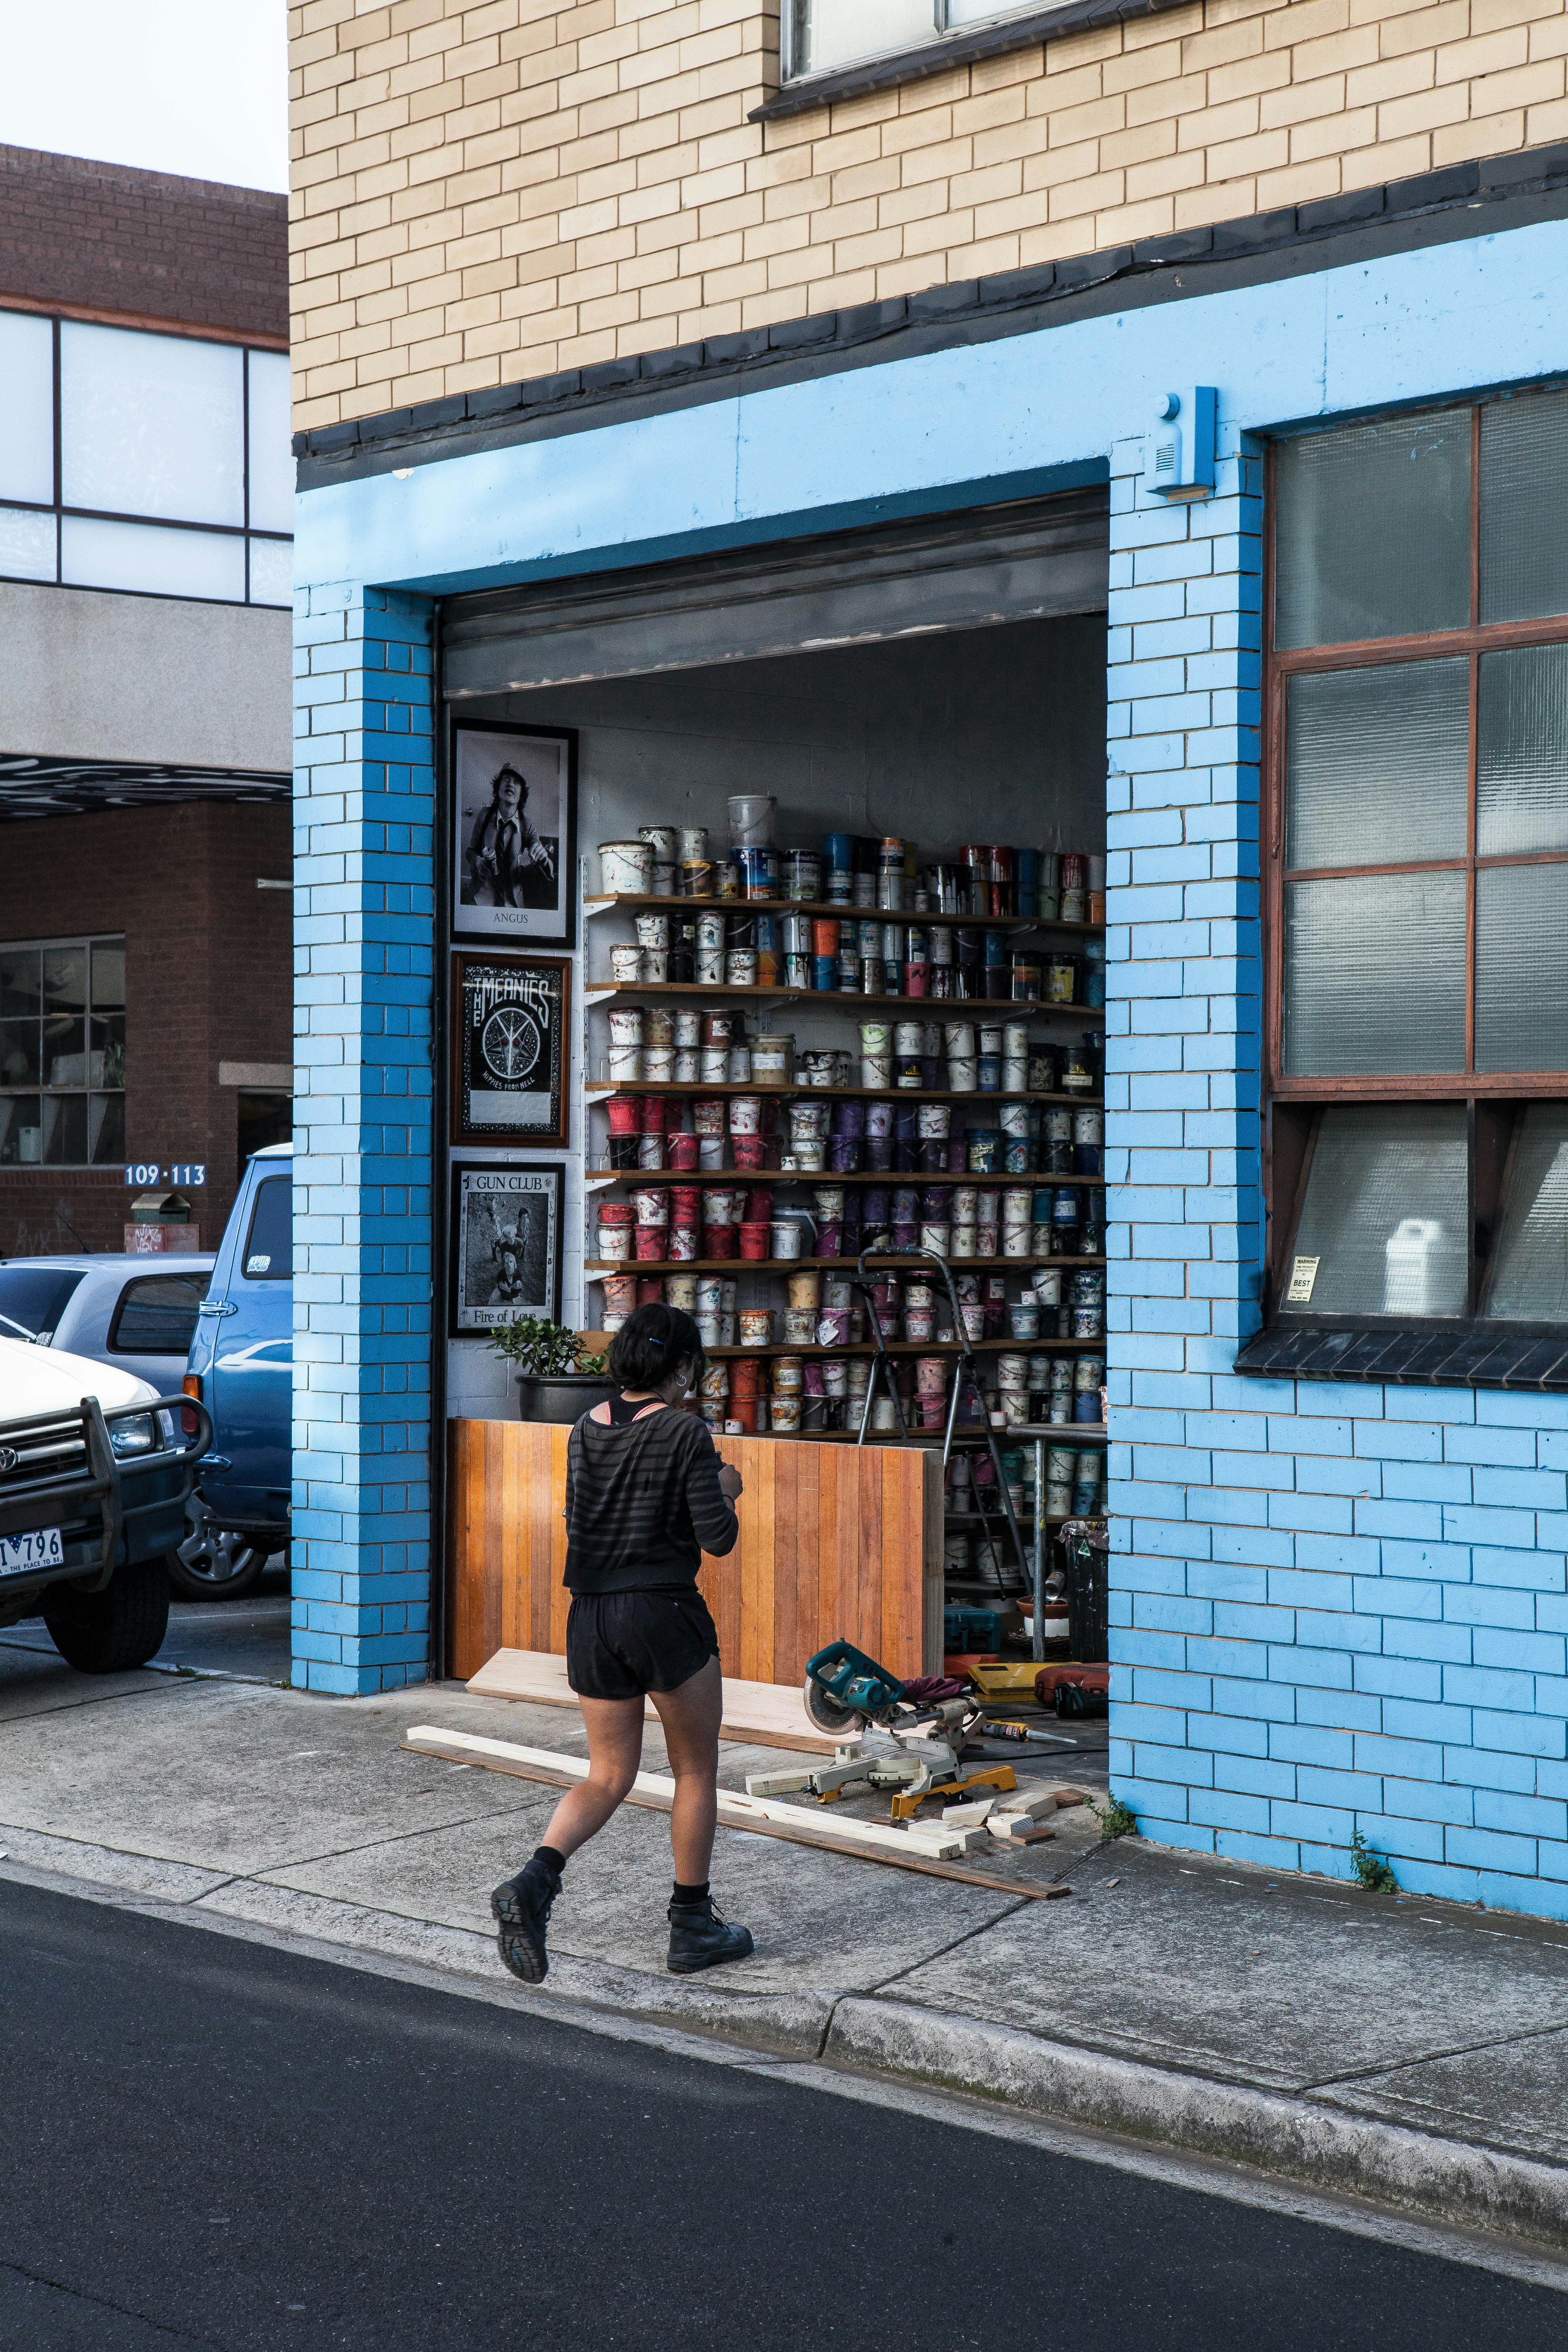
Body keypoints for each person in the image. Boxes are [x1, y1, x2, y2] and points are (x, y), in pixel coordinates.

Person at [490, 1302, 753, 1981]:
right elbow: (717, 1538)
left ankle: (534, 1881)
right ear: (684, 1367)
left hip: (590, 1617)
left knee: (606, 1774)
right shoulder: (684, 1431)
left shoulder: (584, 1427)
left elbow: (579, 1518)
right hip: (661, 1610)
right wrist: (726, 1487)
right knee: (694, 1769)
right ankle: (692, 1927)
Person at [464, 763, 556, 909]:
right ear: (498, 787)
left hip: (512, 902)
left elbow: (547, 867)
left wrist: (543, 856)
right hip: (482, 896)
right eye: (506, 780)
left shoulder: (527, 824)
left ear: (521, 795)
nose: (510, 785)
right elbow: (470, 852)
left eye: (516, 783)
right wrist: (478, 862)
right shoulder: (485, 816)